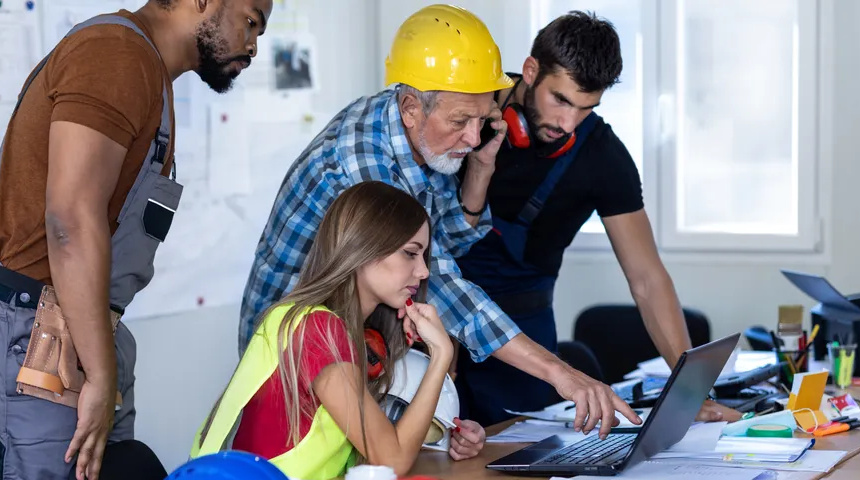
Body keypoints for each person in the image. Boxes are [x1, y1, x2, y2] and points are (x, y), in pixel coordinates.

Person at [239, 4, 641, 439]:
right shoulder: (360, 161)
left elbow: (448, 241)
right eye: (460, 122)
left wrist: (481, 172)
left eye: (480, 118)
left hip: (359, 338)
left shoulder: (428, 138)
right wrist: (558, 372)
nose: (472, 137)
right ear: (411, 107)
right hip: (293, 352)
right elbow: (444, 285)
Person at [0, 0, 273, 480]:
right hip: (28, 336)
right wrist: (98, 372)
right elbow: (70, 220)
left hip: (76, 336)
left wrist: (100, 367)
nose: (252, 47)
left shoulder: (148, 73)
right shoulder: (116, 54)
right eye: (251, 21)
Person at [453, 11, 743, 427]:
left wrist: (691, 391)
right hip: (434, 318)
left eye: (586, 108)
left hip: (524, 335)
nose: (567, 123)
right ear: (531, 71)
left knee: (514, 464)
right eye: (561, 100)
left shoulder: (602, 157)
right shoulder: (467, 115)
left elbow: (647, 278)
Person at [194, 182, 487, 480]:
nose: (423, 271)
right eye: (410, 254)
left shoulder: (342, 329)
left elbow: (376, 449)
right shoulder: (319, 330)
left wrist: (447, 436)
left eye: (423, 256)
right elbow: (392, 460)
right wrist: (441, 356)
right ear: (363, 250)